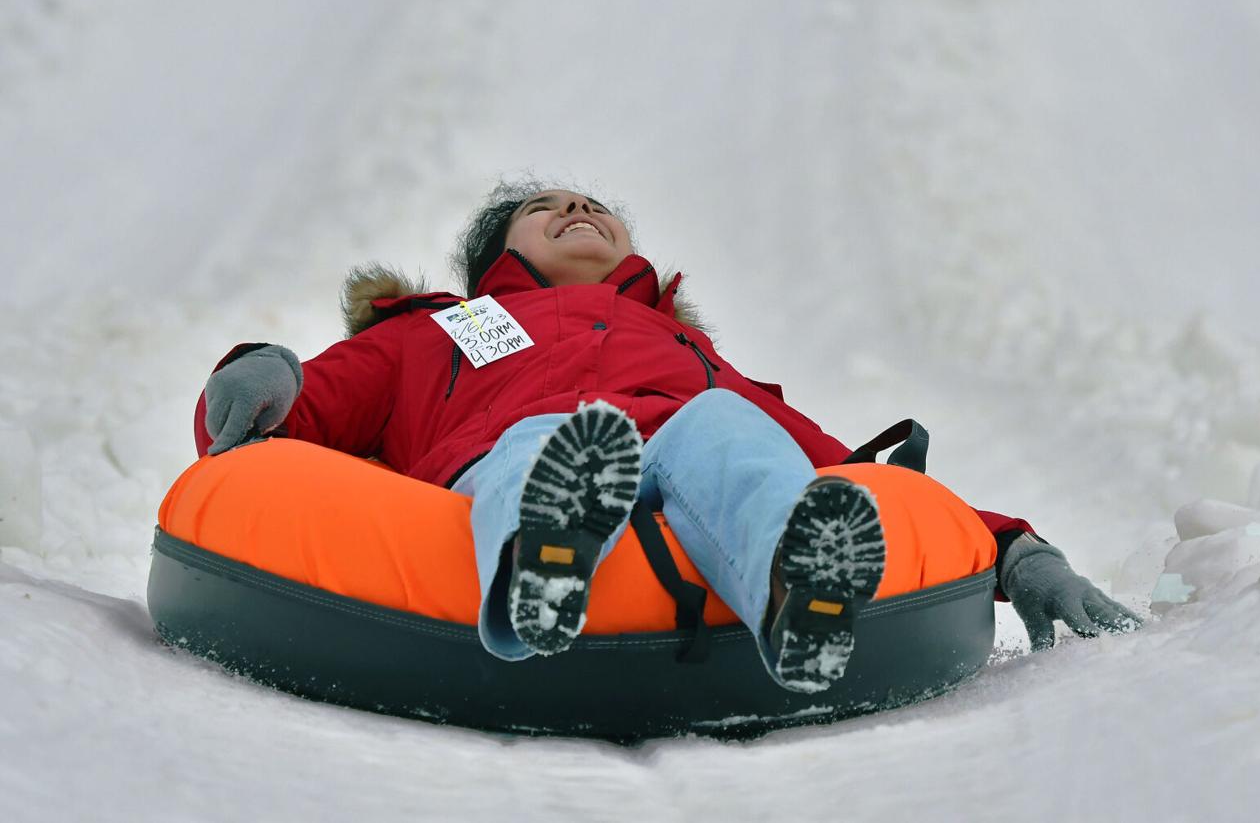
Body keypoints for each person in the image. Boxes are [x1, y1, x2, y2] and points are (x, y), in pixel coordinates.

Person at [196, 180, 1140, 691]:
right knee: (537, 441)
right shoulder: (433, 332)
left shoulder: (686, 349)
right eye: (545, 209)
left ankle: (795, 588)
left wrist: (1013, 547)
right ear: (496, 259)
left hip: (679, 441)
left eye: (593, 208)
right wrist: (264, 365)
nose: (578, 211)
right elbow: (303, 406)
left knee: (734, 430)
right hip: (527, 442)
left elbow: (835, 464)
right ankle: (542, 558)